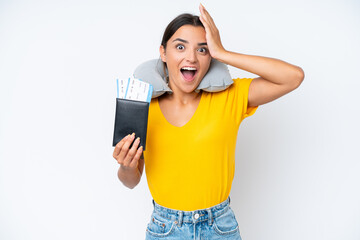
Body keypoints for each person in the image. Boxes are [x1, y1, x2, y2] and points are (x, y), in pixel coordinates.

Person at [113, 4, 304, 239]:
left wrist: (223, 53)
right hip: (165, 229)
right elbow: (130, 181)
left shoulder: (229, 97)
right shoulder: (143, 106)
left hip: (220, 228)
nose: (191, 57)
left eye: (202, 50)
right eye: (180, 47)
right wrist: (126, 166)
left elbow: (293, 77)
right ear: (163, 53)